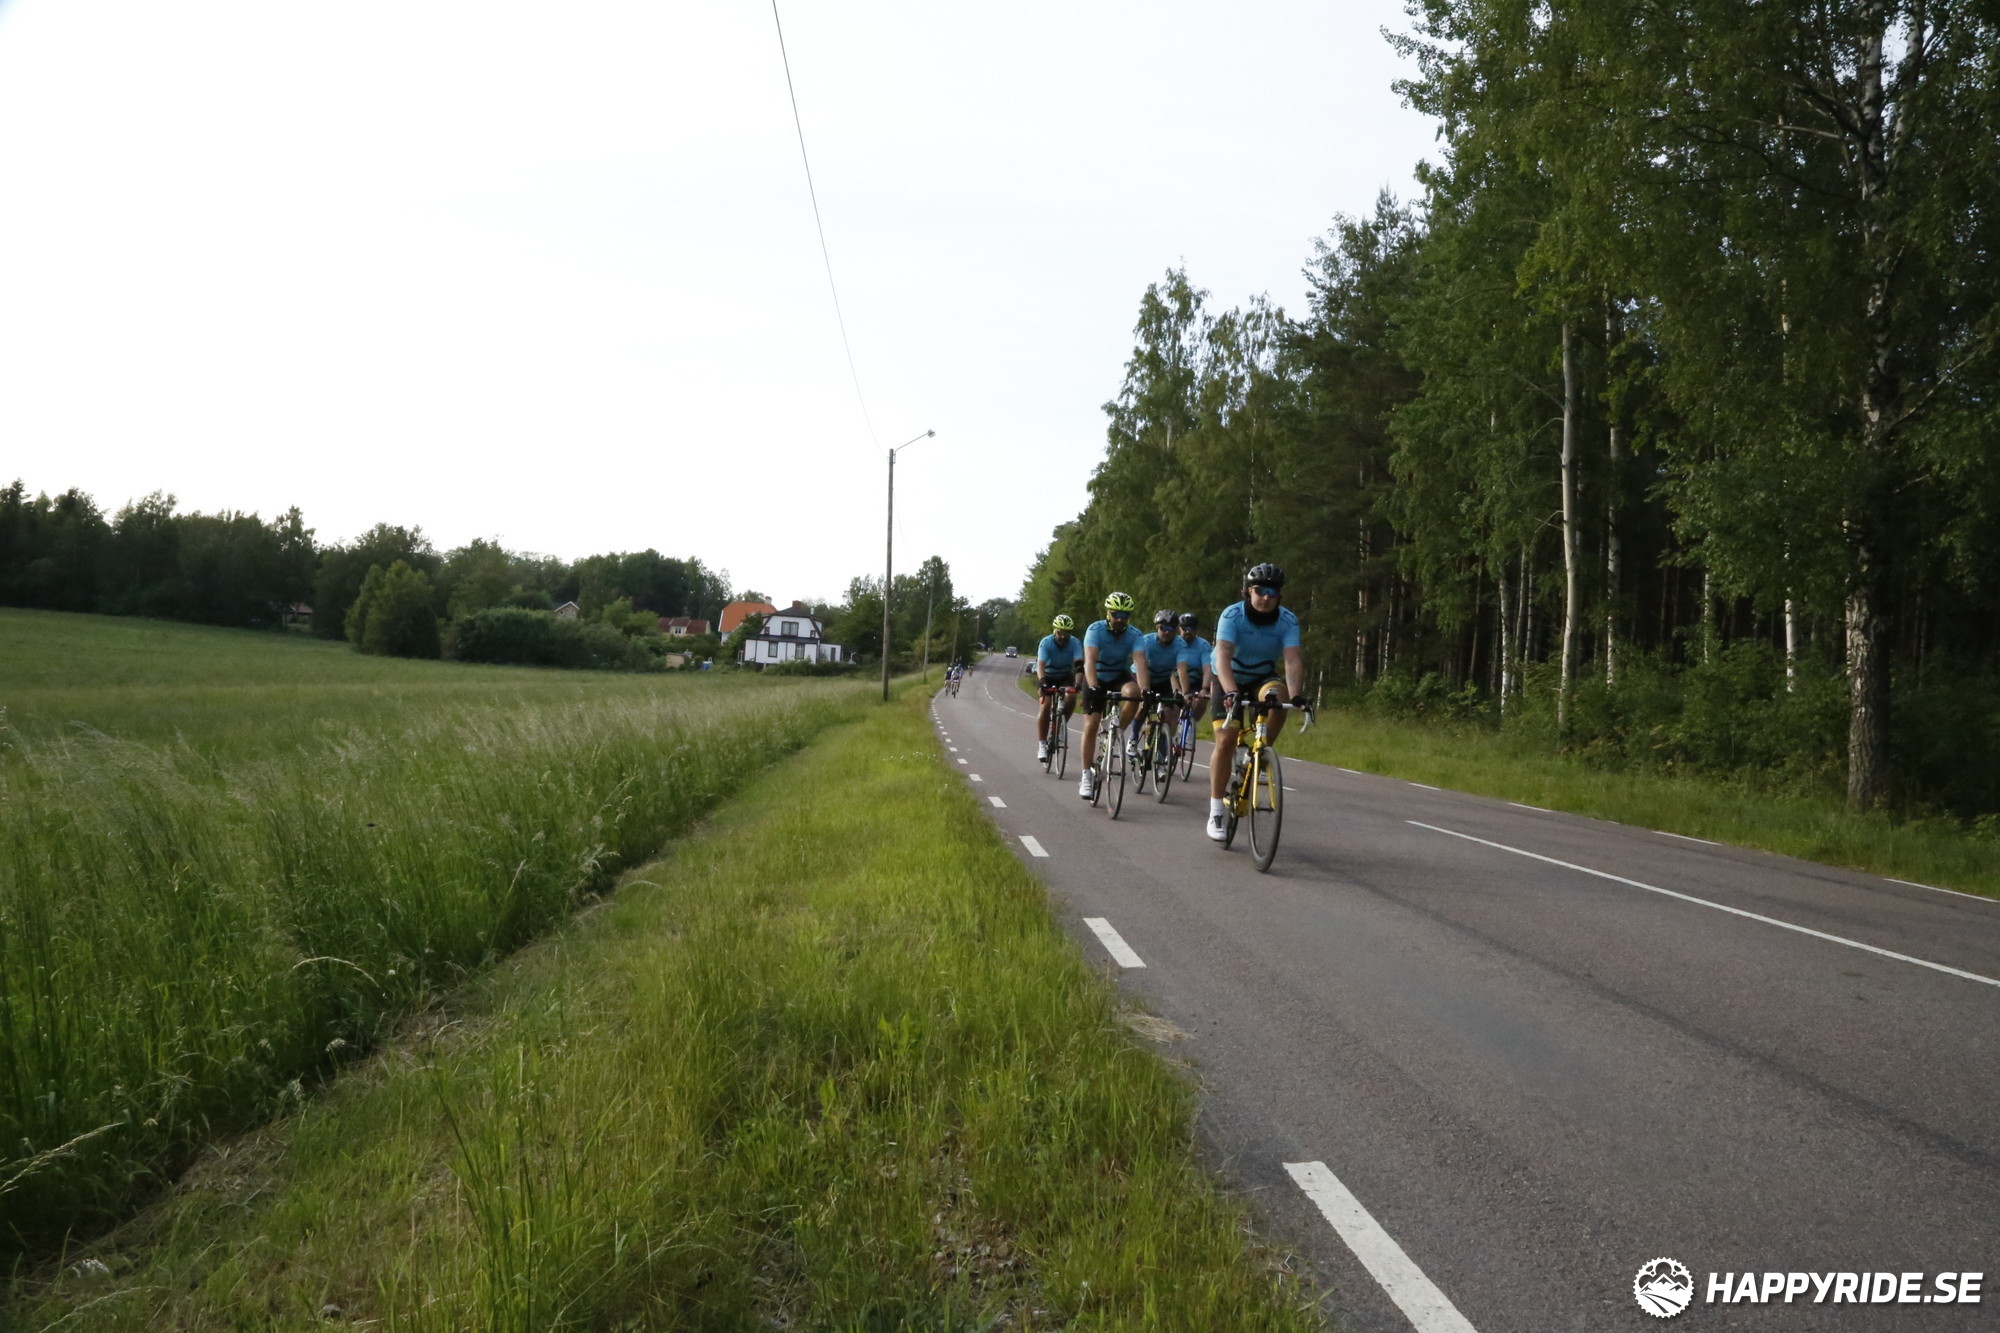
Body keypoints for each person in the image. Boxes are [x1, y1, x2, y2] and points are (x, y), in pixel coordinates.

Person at [1207, 563, 1306, 841]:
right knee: (1226, 740)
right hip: (1227, 676)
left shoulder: (1287, 620)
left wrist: (1296, 695)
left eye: (1272, 592)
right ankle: (1216, 811)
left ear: (1279, 596)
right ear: (1249, 591)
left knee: (1278, 698)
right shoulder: (1232, 615)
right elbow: (1223, 655)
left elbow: (1292, 660)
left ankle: (1260, 755)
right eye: (1260, 590)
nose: (1265, 597)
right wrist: (1231, 691)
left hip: (1262, 676)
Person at [1078, 591, 1149, 800]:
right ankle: (1086, 776)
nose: (1120, 619)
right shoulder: (1095, 630)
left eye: (1124, 615)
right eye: (1116, 614)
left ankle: (1116, 733)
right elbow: (1090, 661)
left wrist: (1145, 689)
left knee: (1134, 693)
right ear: (1108, 613)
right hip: (1096, 675)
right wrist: (1093, 686)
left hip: (1118, 674)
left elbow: (1140, 663)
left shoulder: (1135, 634)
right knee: (1091, 725)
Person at [1138, 609, 1185, 763]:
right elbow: (1143, 667)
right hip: (1144, 676)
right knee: (1142, 705)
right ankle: (1133, 738)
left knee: (1170, 713)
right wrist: (1145, 689)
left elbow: (1181, 669)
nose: (1167, 632)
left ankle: (1163, 754)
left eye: (1171, 628)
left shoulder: (1180, 645)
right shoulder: (1146, 642)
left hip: (1163, 679)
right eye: (1163, 628)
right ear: (1157, 628)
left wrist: (1184, 692)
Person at [1035, 615, 1080, 761]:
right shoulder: (1046, 643)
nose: (1062, 636)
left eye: (1066, 633)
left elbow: (1079, 666)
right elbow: (1040, 665)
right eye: (1060, 632)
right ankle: (1042, 744)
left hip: (1065, 676)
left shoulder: (1075, 643)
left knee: (1071, 696)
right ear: (1055, 630)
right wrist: (1043, 682)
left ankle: (1061, 725)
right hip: (1047, 675)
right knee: (1046, 705)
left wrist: (1078, 684)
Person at [1175, 611, 1212, 735]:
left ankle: (1190, 724)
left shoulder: (1203, 645)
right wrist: (1178, 689)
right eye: (1184, 628)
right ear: (1179, 628)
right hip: (1176, 681)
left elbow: (1207, 668)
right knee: (1172, 705)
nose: (1188, 631)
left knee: (1201, 700)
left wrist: (1205, 688)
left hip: (1195, 681)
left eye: (1191, 628)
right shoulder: (1173, 643)